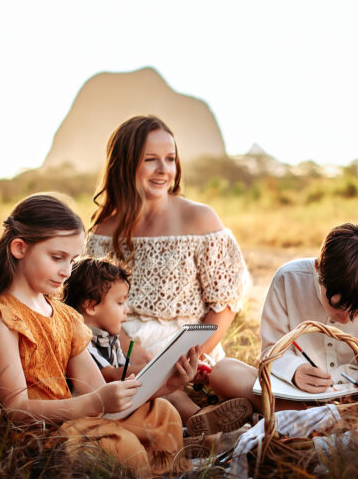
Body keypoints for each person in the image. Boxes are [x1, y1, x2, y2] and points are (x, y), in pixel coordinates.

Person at [0, 194, 190, 479]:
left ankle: (166, 477)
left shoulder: (66, 316)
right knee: (119, 445)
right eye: (57, 258)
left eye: (72, 260)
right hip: (39, 436)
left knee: (163, 414)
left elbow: (96, 390)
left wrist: (165, 384)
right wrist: (94, 404)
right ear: (19, 248)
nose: (66, 271)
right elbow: (15, 410)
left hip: (79, 419)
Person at [85, 115, 250, 364]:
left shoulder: (200, 219)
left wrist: (191, 358)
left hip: (187, 350)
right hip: (121, 349)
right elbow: (89, 309)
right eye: (151, 160)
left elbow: (224, 304)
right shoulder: (101, 233)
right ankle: (178, 402)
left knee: (230, 375)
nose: (164, 169)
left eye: (170, 159)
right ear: (125, 165)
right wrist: (125, 348)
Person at [209, 223, 358, 410]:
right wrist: (294, 371)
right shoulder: (288, 280)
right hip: (296, 395)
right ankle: (319, 418)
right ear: (318, 269)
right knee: (224, 371)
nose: (345, 320)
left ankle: (288, 416)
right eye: (337, 306)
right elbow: (271, 350)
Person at [61, 256, 252, 435]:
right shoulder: (81, 341)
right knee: (164, 402)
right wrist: (167, 368)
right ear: (91, 306)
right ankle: (204, 430)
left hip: (119, 405)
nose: (126, 310)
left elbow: (120, 372)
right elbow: (110, 375)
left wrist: (178, 376)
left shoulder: (108, 339)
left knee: (172, 394)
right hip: (99, 415)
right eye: (120, 303)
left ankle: (203, 423)